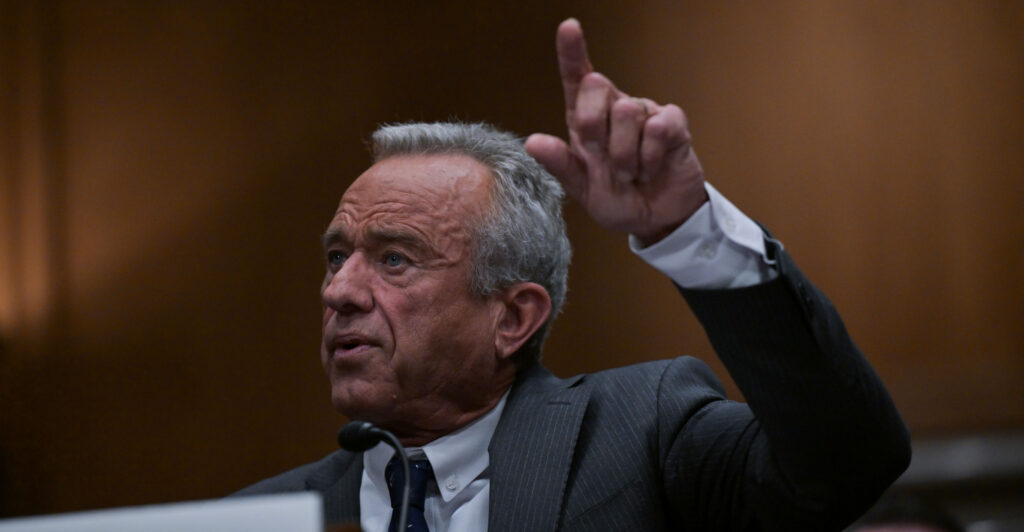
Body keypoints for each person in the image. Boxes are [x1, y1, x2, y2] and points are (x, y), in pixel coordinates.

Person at [234, 18, 910, 531]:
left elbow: (844, 467)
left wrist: (688, 232)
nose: (339, 291)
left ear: (514, 318)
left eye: (393, 260)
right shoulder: (261, 517)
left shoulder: (640, 433)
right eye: (336, 256)